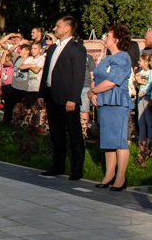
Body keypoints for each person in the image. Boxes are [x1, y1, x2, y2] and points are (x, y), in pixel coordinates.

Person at [39, 15, 88, 180]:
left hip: (68, 99)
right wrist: (42, 94)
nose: (54, 29)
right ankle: (58, 165)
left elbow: (78, 76)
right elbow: (47, 72)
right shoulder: (52, 48)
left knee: (74, 134)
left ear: (67, 28)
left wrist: (73, 98)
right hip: (52, 96)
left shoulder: (76, 48)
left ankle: (77, 169)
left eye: (57, 26)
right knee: (56, 133)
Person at [89, 25, 135, 191]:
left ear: (116, 39)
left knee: (119, 140)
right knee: (108, 140)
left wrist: (93, 91)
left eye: (107, 36)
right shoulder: (107, 58)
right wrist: (93, 92)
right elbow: (98, 77)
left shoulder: (122, 57)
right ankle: (109, 174)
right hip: (104, 102)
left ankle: (121, 177)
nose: (104, 38)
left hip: (117, 102)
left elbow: (113, 81)